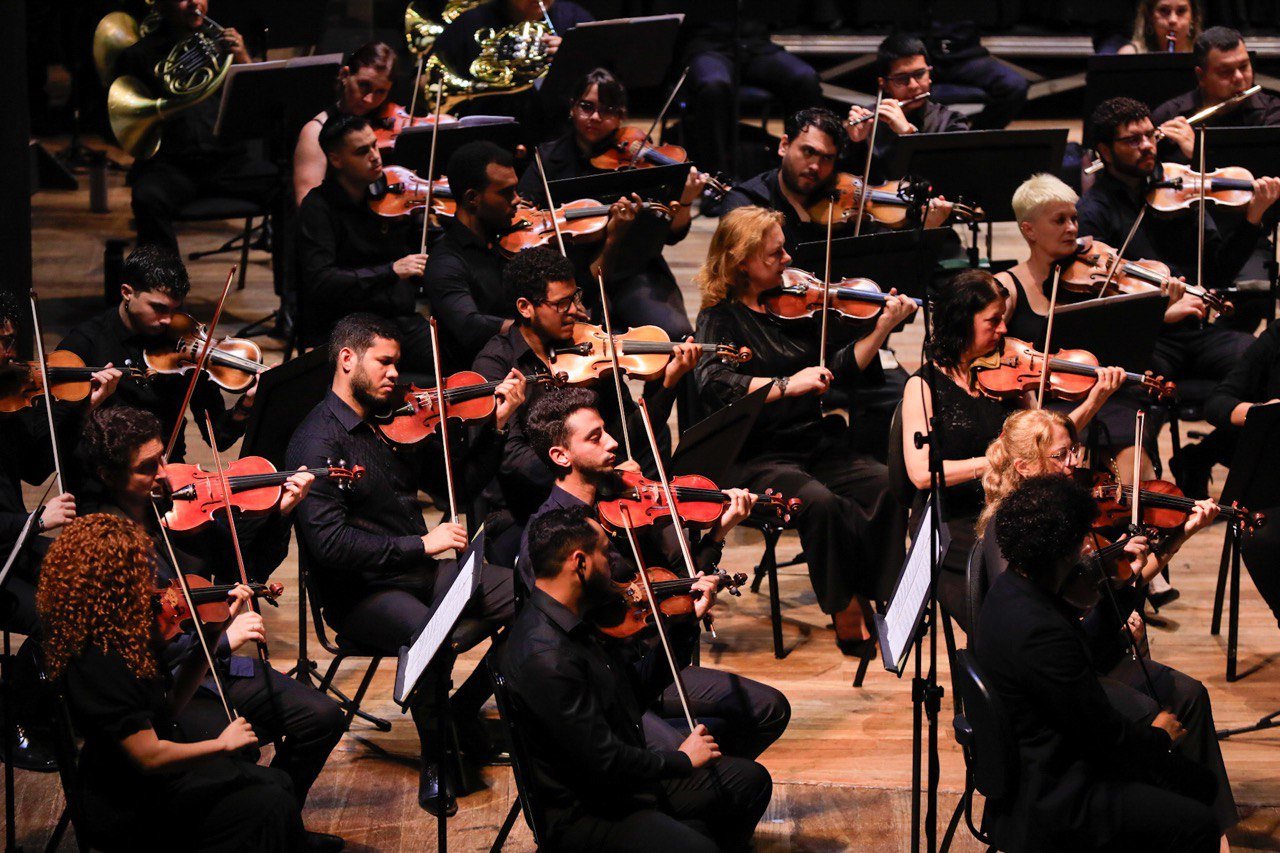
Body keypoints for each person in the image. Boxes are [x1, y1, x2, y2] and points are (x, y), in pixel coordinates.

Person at [80, 405, 348, 850]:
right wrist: (223, 640)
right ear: (109, 475)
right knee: (242, 755)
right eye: (147, 468)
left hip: (208, 665)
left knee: (322, 718)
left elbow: (244, 573)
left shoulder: (174, 518)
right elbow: (141, 658)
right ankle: (255, 825)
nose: (165, 476)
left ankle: (283, 829)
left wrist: (279, 514)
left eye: (162, 459)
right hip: (170, 685)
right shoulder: (107, 549)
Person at [287, 313, 524, 816]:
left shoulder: (392, 422)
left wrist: (498, 425)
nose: (396, 374)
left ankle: (462, 711)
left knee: (531, 596)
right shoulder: (317, 442)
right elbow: (330, 545)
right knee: (428, 635)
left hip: (420, 571)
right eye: (384, 362)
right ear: (347, 359)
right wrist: (422, 544)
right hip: (362, 593)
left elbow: (458, 485)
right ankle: (437, 758)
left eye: (397, 363)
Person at [976, 409, 1237, 838]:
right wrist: (1158, 737)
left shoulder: (1034, 555)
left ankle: (1206, 823)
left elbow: (1086, 608)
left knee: (1188, 718)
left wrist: (1149, 558)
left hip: (1061, 700)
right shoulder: (1028, 574)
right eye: (1060, 456)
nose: (1073, 464)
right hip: (1058, 785)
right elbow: (1096, 722)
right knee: (1173, 737)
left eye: (1073, 452)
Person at [517, 388, 791, 757]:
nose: (613, 443)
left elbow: (678, 583)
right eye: (595, 438)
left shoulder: (624, 504)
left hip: (652, 662)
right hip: (608, 687)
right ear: (560, 455)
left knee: (769, 709)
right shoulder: (551, 539)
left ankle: (706, 785)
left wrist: (718, 532)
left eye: (606, 431)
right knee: (694, 757)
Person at [693, 206, 915, 652]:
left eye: (784, 249)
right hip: (756, 456)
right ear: (742, 262)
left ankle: (884, 594)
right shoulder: (720, 318)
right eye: (774, 254)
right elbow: (714, 382)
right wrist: (786, 385)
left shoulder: (796, 307)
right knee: (821, 504)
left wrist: (883, 326)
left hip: (812, 442)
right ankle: (844, 608)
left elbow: (839, 369)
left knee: (885, 484)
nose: (788, 259)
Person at [498, 506, 774, 852]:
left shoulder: (579, 619)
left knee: (751, 782)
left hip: (622, 785)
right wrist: (681, 760)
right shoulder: (546, 658)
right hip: (591, 812)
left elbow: (636, 691)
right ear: (580, 563)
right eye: (605, 553)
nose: (614, 565)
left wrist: (684, 624)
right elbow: (605, 760)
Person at [37, 514, 304, 851]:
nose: (151, 585)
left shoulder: (122, 635)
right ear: (112, 583)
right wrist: (222, 744)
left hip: (149, 780)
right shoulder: (99, 658)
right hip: (128, 802)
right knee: (270, 803)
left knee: (279, 782)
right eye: (138, 573)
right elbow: (148, 756)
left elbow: (170, 707)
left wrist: (214, 633)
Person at [899, 269, 1123, 630]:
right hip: (954, 521)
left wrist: (1094, 401)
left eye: (1003, 318)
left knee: (1069, 575)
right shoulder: (923, 386)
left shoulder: (1011, 375)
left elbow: (1045, 442)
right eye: (993, 321)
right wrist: (994, 460)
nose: (1004, 329)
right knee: (1004, 607)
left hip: (1011, 507)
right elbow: (922, 474)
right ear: (961, 322)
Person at [471, 247, 699, 556]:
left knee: (674, 545)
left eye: (575, 297)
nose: (576, 311)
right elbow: (514, 460)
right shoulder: (496, 364)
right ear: (525, 307)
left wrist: (667, 385)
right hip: (528, 508)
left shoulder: (589, 350)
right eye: (561, 304)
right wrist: (592, 476)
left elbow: (628, 436)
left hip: (599, 491)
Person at [1077, 97, 1278, 387]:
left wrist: (1252, 218)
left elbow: (1219, 271)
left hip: (1196, 332)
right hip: (1146, 338)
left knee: (1264, 363)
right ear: (1105, 151)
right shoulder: (1093, 212)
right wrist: (1161, 314)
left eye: (1150, 135)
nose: (1147, 146)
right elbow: (1095, 304)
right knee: (1135, 384)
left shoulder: (1181, 190)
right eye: (1133, 140)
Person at [0, 290, 120, 771]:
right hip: (7, 545)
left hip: (11, 543)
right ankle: (13, 720)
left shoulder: (4, 401)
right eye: (1, 343)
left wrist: (83, 408)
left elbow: (34, 466)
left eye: (11, 340)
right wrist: (34, 521)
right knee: (56, 616)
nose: (12, 355)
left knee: (96, 576)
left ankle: (70, 701)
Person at [516, 67, 706, 343]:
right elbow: (523, 212)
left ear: (621, 115)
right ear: (572, 107)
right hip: (570, 276)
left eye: (607, 110)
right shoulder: (547, 158)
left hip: (633, 269)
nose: (595, 117)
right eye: (587, 107)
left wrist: (686, 199)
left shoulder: (641, 162)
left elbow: (672, 234)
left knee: (675, 336)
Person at [59, 244, 254, 469]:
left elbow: (218, 437)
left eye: (174, 309)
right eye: (158, 308)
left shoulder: (186, 347)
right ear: (127, 293)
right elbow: (55, 442)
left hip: (168, 469)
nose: (168, 320)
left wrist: (244, 406)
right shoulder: (85, 344)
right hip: (105, 473)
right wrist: (88, 408)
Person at [116, 0, 277, 253]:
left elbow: (258, 109)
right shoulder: (138, 55)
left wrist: (244, 60)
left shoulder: (226, 48)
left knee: (287, 187)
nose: (194, 3)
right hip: (171, 165)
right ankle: (166, 278)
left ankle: (294, 280)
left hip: (227, 162)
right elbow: (126, 124)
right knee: (147, 198)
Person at [295, 114, 433, 371]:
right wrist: (390, 271)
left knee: (453, 354)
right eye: (362, 151)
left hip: (399, 320)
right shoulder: (317, 208)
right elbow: (322, 281)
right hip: (348, 327)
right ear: (336, 160)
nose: (375, 156)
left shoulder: (393, 195)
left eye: (374, 145)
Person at [722, 107, 954, 254]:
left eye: (827, 158)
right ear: (784, 146)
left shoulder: (846, 201)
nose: (816, 166)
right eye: (808, 152)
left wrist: (929, 228)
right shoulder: (746, 201)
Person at [652, 0, 822, 183]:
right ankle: (717, 180)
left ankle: (800, 174)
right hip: (708, 45)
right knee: (714, 85)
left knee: (804, 78)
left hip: (755, 45)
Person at [1206, 322, 1280, 629]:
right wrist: (1262, 412)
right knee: (1262, 541)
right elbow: (1218, 403)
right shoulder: (1276, 337)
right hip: (1274, 490)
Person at [432, 0, 595, 140]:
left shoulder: (574, 18)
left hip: (559, 134)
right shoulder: (470, 23)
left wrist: (571, 56)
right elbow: (432, 77)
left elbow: (601, 75)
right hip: (487, 134)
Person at [422, 141, 520, 369]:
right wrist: (533, 327)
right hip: (483, 373)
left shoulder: (508, 242)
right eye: (506, 193)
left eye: (516, 190)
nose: (517, 200)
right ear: (472, 198)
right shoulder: (445, 262)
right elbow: (470, 326)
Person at [844, 34, 973, 182]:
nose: (913, 85)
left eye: (920, 74)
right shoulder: (866, 122)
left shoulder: (951, 122)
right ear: (884, 84)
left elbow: (956, 174)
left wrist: (909, 134)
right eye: (901, 78)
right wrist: (855, 143)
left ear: (929, 74)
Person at [293, 42, 400, 207]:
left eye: (381, 91)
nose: (369, 100)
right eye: (364, 85)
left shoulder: (392, 120)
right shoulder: (315, 132)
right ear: (344, 75)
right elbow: (308, 207)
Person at [1152, 27, 1280, 163]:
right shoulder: (1169, 114)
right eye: (1225, 71)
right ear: (1201, 76)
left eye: (1243, 66)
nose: (1239, 77)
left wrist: (1199, 154)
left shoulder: (1272, 114)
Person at [1119, 0, 1202, 54]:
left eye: (1181, 11)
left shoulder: (1204, 55)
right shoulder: (1130, 54)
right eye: (1164, 10)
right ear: (1149, 16)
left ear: (1193, 17)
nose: (1173, 20)